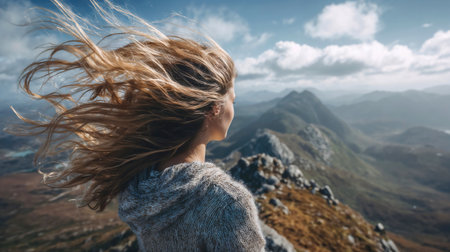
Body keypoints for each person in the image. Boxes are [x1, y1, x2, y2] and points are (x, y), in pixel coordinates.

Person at [7, 0, 266, 251]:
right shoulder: (227, 202)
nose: (235, 108)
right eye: (233, 99)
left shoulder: (140, 187)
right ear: (214, 109)